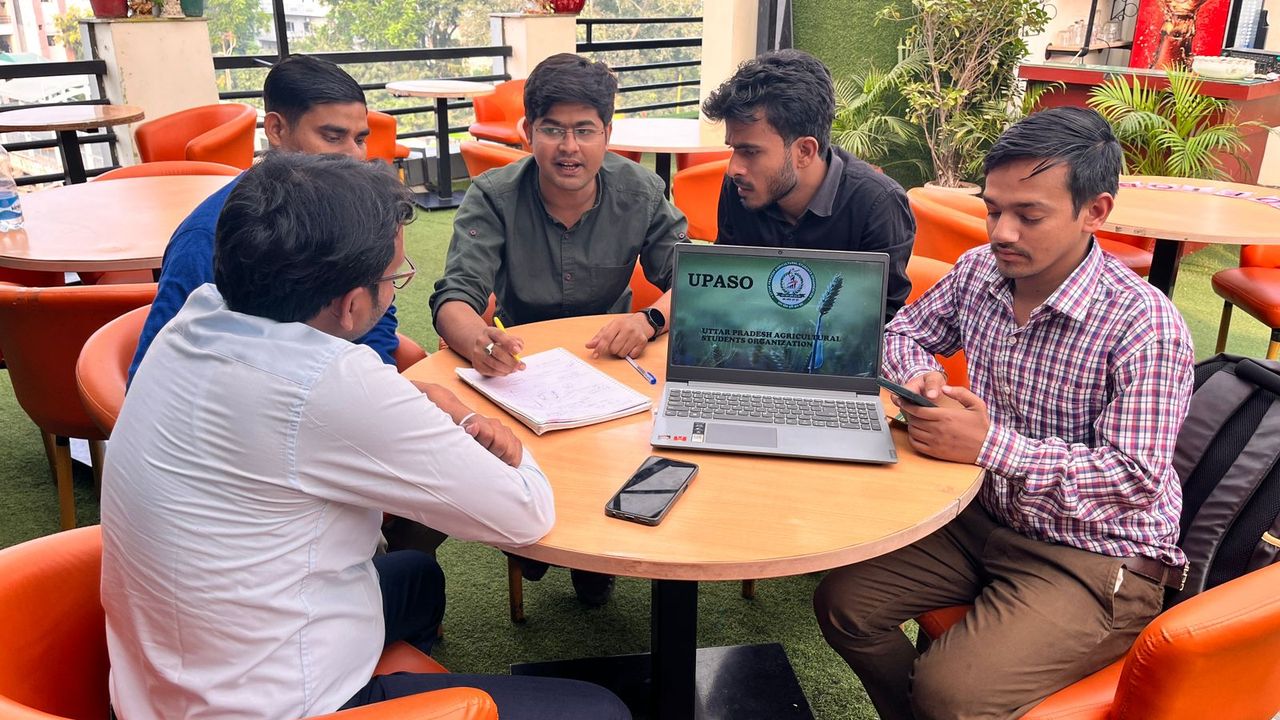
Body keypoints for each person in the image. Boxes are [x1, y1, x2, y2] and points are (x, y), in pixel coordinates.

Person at [102, 152, 630, 720]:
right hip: (271, 706)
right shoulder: (327, 382)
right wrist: (474, 425)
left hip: (164, 676)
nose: (396, 291)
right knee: (601, 710)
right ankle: (374, 704)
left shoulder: (193, 318)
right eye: (394, 279)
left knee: (416, 578)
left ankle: (402, 684)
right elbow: (525, 514)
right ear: (353, 304)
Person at [812, 107, 1195, 720]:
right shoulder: (979, 273)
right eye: (993, 210)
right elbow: (901, 334)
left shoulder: (1145, 324)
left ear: (1095, 211)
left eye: (1029, 215)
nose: (1002, 233)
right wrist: (921, 378)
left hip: (1096, 553)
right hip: (982, 515)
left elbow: (1134, 478)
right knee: (842, 605)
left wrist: (989, 445)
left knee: (951, 694)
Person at [430, 52, 688, 606]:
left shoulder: (640, 191)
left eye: (584, 130)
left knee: (639, 445)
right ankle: (538, 535)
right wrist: (478, 340)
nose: (569, 147)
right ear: (528, 132)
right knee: (509, 460)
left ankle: (585, 549)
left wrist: (649, 319)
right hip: (523, 368)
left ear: (607, 133)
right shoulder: (494, 195)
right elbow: (454, 296)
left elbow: (693, 281)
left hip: (613, 364)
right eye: (552, 129)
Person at [128, 54, 392, 382]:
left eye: (360, 139)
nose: (354, 155)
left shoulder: (357, 211)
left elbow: (377, 308)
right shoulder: (206, 238)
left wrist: (380, 380)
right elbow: (155, 369)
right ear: (276, 129)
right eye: (333, 137)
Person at [701, 49, 914, 319]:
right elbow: (726, 285)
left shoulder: (877, 205)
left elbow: (882, 322)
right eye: (733, 149)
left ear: (804, 151)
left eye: (750, 151)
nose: (733, 169)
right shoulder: (739, 188)